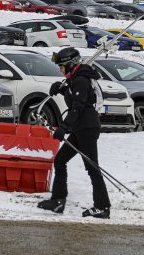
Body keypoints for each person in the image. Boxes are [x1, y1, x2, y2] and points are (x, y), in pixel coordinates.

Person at [37, 47, 110, 218]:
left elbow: (77, 107)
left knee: (92, 167)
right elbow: (76, 98)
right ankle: (58, 201)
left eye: (62, 67)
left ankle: (102, 207)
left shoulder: (81, 80)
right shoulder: (75, 79)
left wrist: (63, 128)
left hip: (87, 128)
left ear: (70, 65)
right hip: (80, 127)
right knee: (60, 160)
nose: (61, 71)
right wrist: (60, 89)